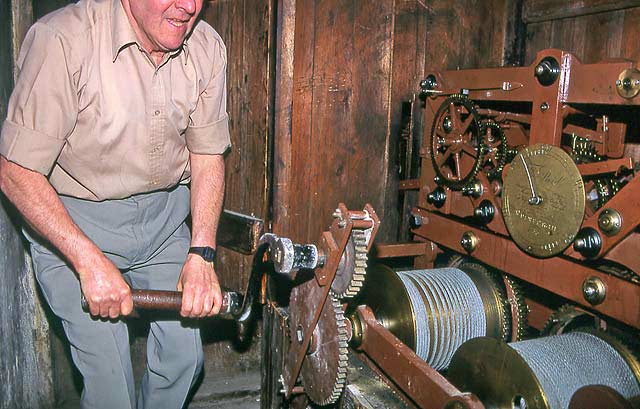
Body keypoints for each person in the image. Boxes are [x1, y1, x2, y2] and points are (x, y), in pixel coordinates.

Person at [0, 0, 230, 408]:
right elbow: (15, 170)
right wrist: (87, 261)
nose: (189, 6)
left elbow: (208, 155)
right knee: (111, 387)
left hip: (162, 226)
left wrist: (202, 253)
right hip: (73, 226)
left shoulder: (207, 46)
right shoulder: (63, 42)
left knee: (184, 358)